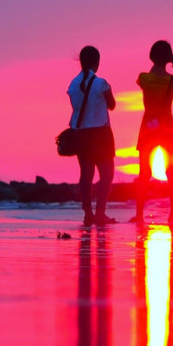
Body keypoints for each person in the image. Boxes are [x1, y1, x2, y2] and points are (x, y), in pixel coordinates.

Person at [134, 40, 173, 224]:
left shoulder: (144, 78)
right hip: (169, 129)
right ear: (168, 57)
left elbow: (143, 80)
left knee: (144, 173)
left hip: (148, 128)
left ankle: (139, 215)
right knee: (171, 171)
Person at [68, 46, 117, 225]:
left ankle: (88, 214)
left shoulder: (73, 84)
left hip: (81, 134)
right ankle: (100, 213)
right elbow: (112, 105)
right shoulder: (101, 83)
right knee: (107, 175)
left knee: (86, 175)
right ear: (97, 62)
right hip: (101, 134)